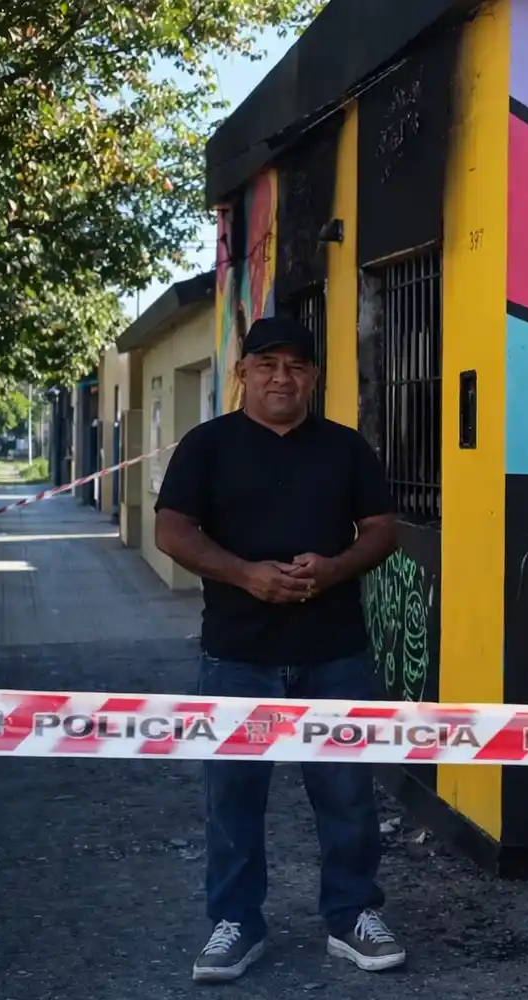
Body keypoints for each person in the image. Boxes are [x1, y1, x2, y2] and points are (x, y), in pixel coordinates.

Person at [154, 315, 404, 982]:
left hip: (334, 650)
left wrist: (334, 568)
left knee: (347, 792)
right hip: (237, 654)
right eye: (267, 364)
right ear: (243, 373)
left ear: (314, 376)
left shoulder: (345, 448)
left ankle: (352, 915)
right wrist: (246, 575)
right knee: (233, 796)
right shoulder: (207, 446)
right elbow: (172, 530)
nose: (281, 377)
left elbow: (382, 528)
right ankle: (236, 922)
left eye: (296, 365)